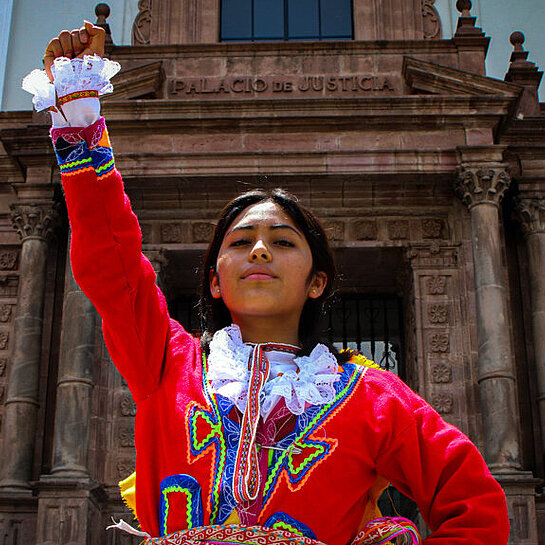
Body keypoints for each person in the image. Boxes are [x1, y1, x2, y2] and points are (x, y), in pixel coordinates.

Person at [23, 21, 510, 545]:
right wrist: (79, 125)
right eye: (239, 242)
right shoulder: (165, 362)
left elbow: (475, 504)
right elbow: (110, 264)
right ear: (213, 282)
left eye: (282, 241)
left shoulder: (373, 397)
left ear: (317, 281)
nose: (259, 249)